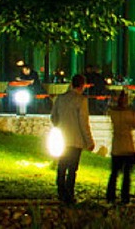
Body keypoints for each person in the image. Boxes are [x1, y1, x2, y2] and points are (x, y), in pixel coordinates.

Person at [50, 74, 95, 205]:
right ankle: (69, 195)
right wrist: (89, 141)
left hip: (62, 138)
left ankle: (61, 192)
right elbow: (83, 122)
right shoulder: (81, 101)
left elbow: (53, 117)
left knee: (62, 166)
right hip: (76, 140)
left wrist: (59, 126)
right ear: (82, 85)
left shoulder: (60, 99)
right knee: (72, 169)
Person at [107, 91, 135, 204]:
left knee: (114, 174)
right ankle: (124, 197)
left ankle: (110, 196)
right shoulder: (130, 113)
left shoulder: (112, 112)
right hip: (128, 147)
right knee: (126, 175)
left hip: (116, 146)